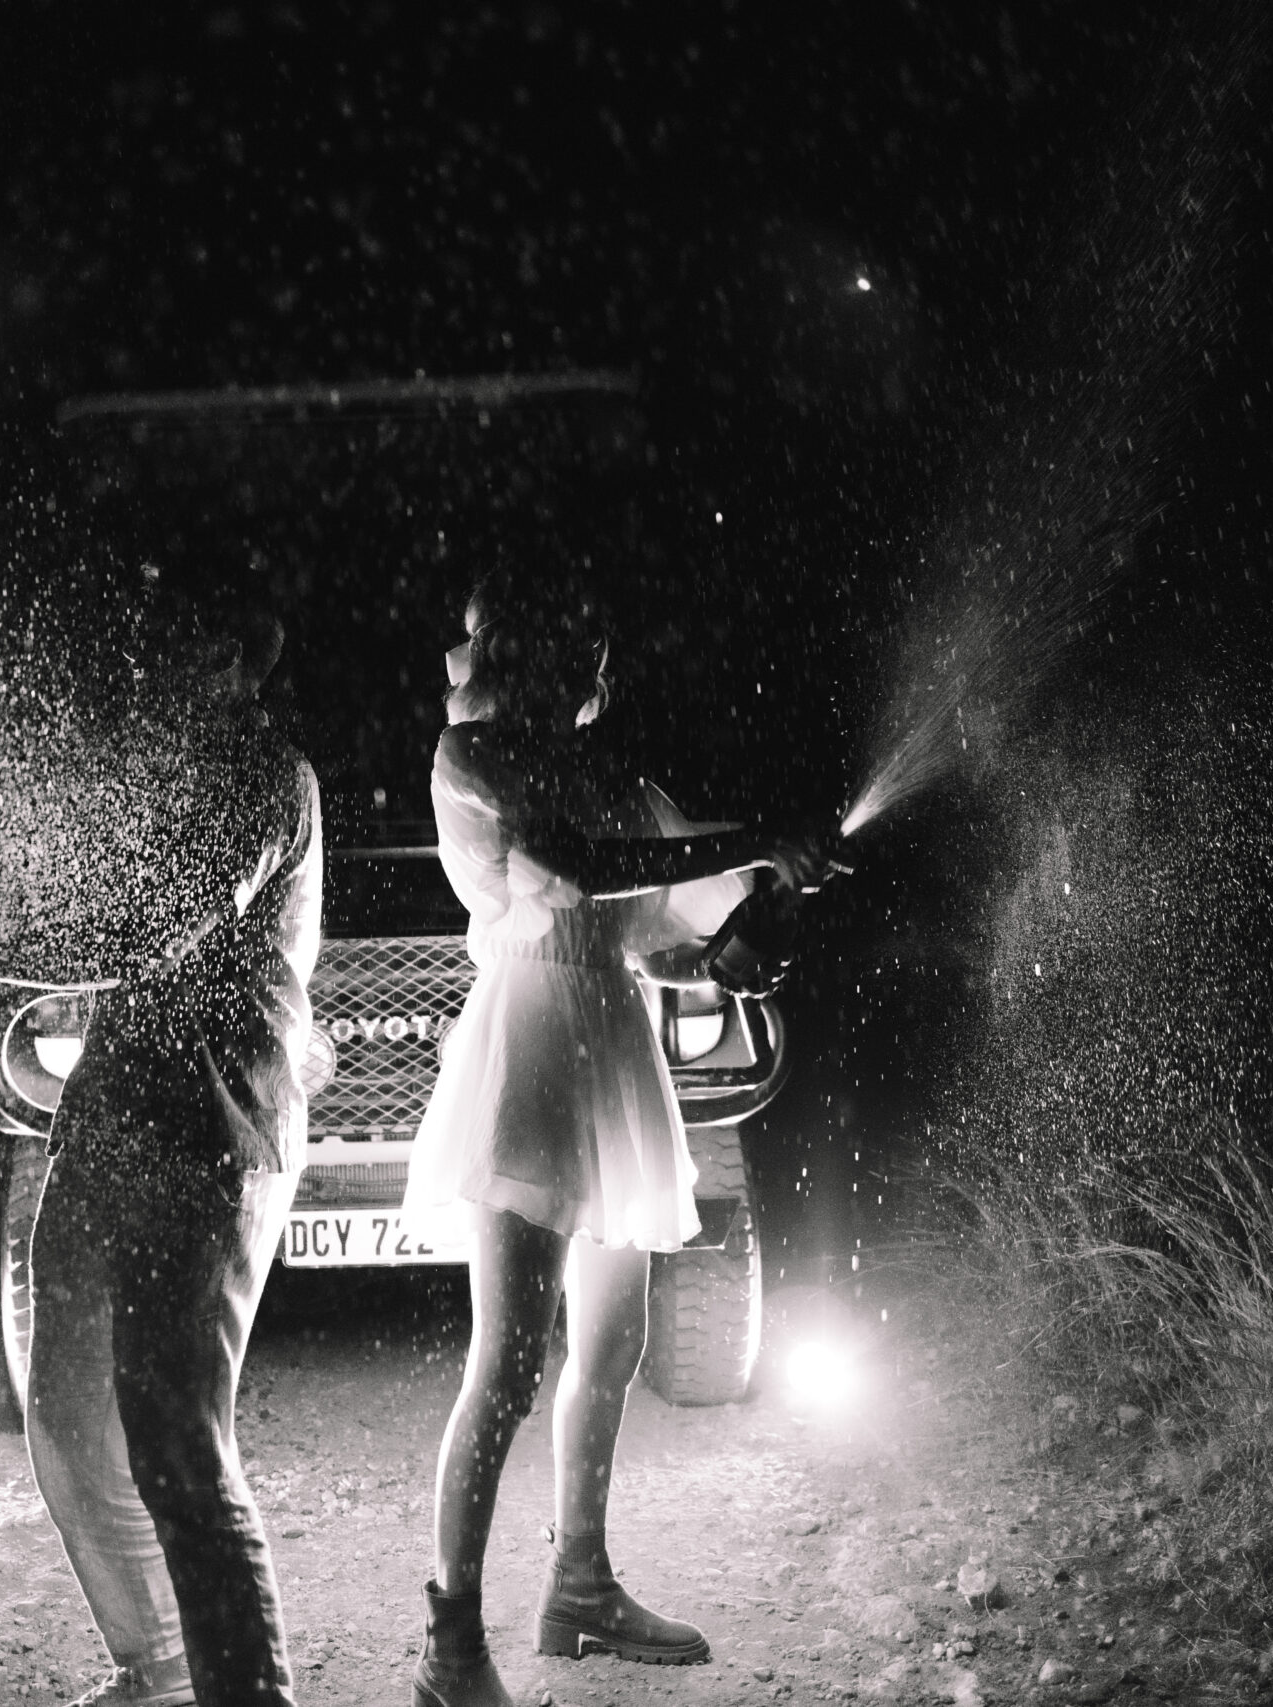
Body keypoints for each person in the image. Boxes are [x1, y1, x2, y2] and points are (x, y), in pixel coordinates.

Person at [402, 580, 822, 1707]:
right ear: (541, 659)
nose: (605, 675)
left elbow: (656, 938)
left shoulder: (621, 783)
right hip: (531, 1050)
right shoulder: (472, 762)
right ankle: (450, 1648)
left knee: (614, 1339)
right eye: (589, 650)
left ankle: (579, 1588)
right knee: (508, 1364)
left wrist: (743, 934)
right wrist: (750, 839)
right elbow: (572, 870)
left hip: (608, 1047)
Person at [5, 590, 322, 1707]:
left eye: (163, 636)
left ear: (232, 653)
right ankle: (160, 1663)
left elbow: (150, 928)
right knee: (69, 1410)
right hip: (119, 1114)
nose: (134, 657)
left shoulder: (257, 775)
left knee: (177, 1441)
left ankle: (250, 1693)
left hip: (211, 1123)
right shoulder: (156, 770)